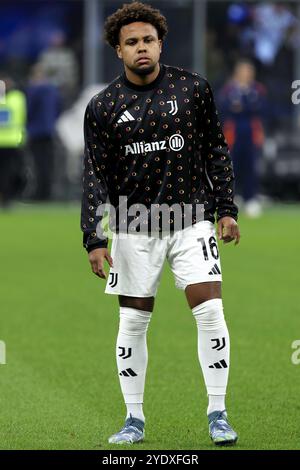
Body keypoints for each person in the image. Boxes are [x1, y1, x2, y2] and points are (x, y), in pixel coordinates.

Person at [81, 2, 240, 446]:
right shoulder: (103, 106)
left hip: (191, 220)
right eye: (131, 42)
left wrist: (226, 209)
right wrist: (93, 237)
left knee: (210, 311)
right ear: (118, 50)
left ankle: (218, 412)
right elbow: (94, 173)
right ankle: (134, 419)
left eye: (147, 40)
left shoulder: (193, 90)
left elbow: (215, 152)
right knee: (132, 322)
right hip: (133, 225)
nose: (141, 48)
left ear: (160, 42)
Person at [218, 59, 266, 217]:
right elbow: (223, 107)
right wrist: (242, 107)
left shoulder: (257, 89)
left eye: (249, 71)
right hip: (233, 135)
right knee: (232, 167)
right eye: (244, 71)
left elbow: (260, 107)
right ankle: (233, 197)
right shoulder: (228, 89)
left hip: (251, 134)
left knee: (251, 167)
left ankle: (251, 198)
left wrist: (241, 106)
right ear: (237, 73)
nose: (246, 74)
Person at [26, 63, 61, 201]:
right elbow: (59, 108)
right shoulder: (53, 90)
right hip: (50, 130)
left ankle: (39, 193)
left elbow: (29, 110)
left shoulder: (34, 90)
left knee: (38, 163)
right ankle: (48, 192)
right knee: (49, 163)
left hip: (36, 130)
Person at [0, 75, 26, 207]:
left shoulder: (16, 98)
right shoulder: (17, 98)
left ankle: (7, 197)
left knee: (8, 172)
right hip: (13, 140)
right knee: (10, 172)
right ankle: (8, 198)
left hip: (11, 141)